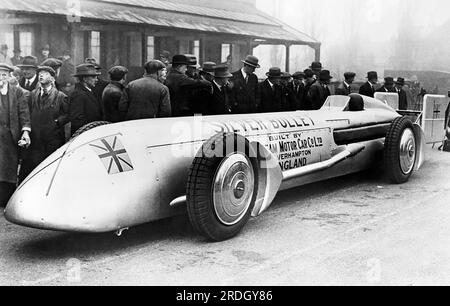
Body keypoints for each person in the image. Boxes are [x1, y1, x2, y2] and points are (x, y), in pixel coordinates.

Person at [19, 66, 69, 182]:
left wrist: (57, 123)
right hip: (35, 139)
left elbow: (67, 114)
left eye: (45, 74)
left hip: (52, 141)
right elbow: (27, 113)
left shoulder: (60, 96)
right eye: (40, 73)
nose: (41, 75)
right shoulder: (32, 94)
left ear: (52, 78)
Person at [0, 63, 31, 207]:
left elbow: (24, 113)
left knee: (10, 167)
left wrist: (25, 131)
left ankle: (6, 199)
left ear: (8, 76)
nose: (1, 77)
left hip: (11, 136)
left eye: (4, 74)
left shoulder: (17, 92)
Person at [69, 64, 104, 135]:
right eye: (94, 77)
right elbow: (77, 119)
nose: (96, 80)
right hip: (84, 135)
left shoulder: (89, 91)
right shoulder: (78, 94)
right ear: (84, 79)